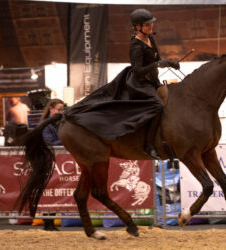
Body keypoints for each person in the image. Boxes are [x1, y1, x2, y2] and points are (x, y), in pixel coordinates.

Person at [65, 8, 179, 159]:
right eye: (147, 25)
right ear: (137, 27)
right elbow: (138, 71)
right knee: (157, 105)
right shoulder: (136, 45)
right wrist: (158, 65)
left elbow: (156, 59)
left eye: (150, 24)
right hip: (140, 83)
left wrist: (169, 63)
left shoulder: (150, 38)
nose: (151, 27)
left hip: (152, 80)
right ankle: (148, 144)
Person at [41, 98, 65, 231]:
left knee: (56, 192)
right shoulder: (45, 124)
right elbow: (49, 142)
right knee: (50, 191)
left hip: (60, 162)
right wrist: (66, 138)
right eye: (59, 109)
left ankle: (50, 221)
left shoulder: (60, 124)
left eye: (62, 110)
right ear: (51, 109)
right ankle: (47, 221)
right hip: (49, 160)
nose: (61, 112)